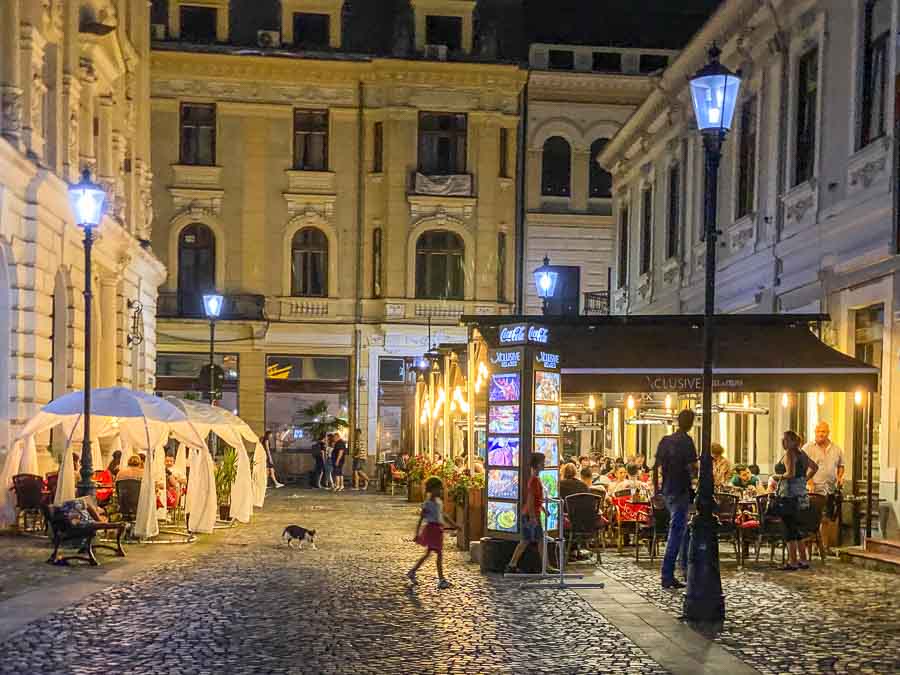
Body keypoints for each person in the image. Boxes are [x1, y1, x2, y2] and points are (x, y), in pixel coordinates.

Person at [653, 409, 698, 589]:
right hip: (680, 490)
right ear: (689, 423)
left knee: (683, 530)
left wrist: (657, 490)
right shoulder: (687, 442)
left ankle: (685, 568)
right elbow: (693, 468)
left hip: (668, 490)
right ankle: (668, 574)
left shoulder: (665, 441)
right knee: (677, 532)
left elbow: (655, 467)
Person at [771, 430, 819, 571]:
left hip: (788, 495)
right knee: (797, 528)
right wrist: (804, 479)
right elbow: (815, 467)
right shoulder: (801, 454)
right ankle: (803, 560)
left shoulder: (790, 453)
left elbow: (790, 473)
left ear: (792, 441)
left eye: (785, 439)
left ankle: (792, 561)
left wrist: (776, 477)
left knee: (789, 528)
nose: (783, 442)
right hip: (800, 495)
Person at [407, 476, 458, 589]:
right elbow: (421, 518)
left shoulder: (438, 502)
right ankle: (441, 579)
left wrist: (454, 525)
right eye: (438, 489)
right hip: (432, 530)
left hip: (437, 530)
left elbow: (443, 515)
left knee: (429, 554)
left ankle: (413, 571)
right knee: (438, 554)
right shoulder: (428, 504)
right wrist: (417, 533)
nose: (440, 491)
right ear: (432, 489)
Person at [803, 421, 844, 554]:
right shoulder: (808, 448)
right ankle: (811, 547)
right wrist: (809, 482)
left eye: (824, 432)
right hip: (813, 489)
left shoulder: (836, 449)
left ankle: (824, 547)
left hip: (829, 488)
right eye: (818, 431)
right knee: (813, 518)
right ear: (815, 432)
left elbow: (841, 466)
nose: (821, 434)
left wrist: (840, 477)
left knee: (827, 519)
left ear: (828, 433)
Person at [505, 453, 547, 574]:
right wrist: (533, 517)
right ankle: (545, 566)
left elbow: (534, 500)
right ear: (538, 464)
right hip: (531, 515)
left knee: (526, 541)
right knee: (538, 540)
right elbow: (530, 500)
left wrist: (543, 509)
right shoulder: (534, 480)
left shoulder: (534, 479)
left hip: (529, 514)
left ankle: (512, 565)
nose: (544, 464)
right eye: (543, 462)